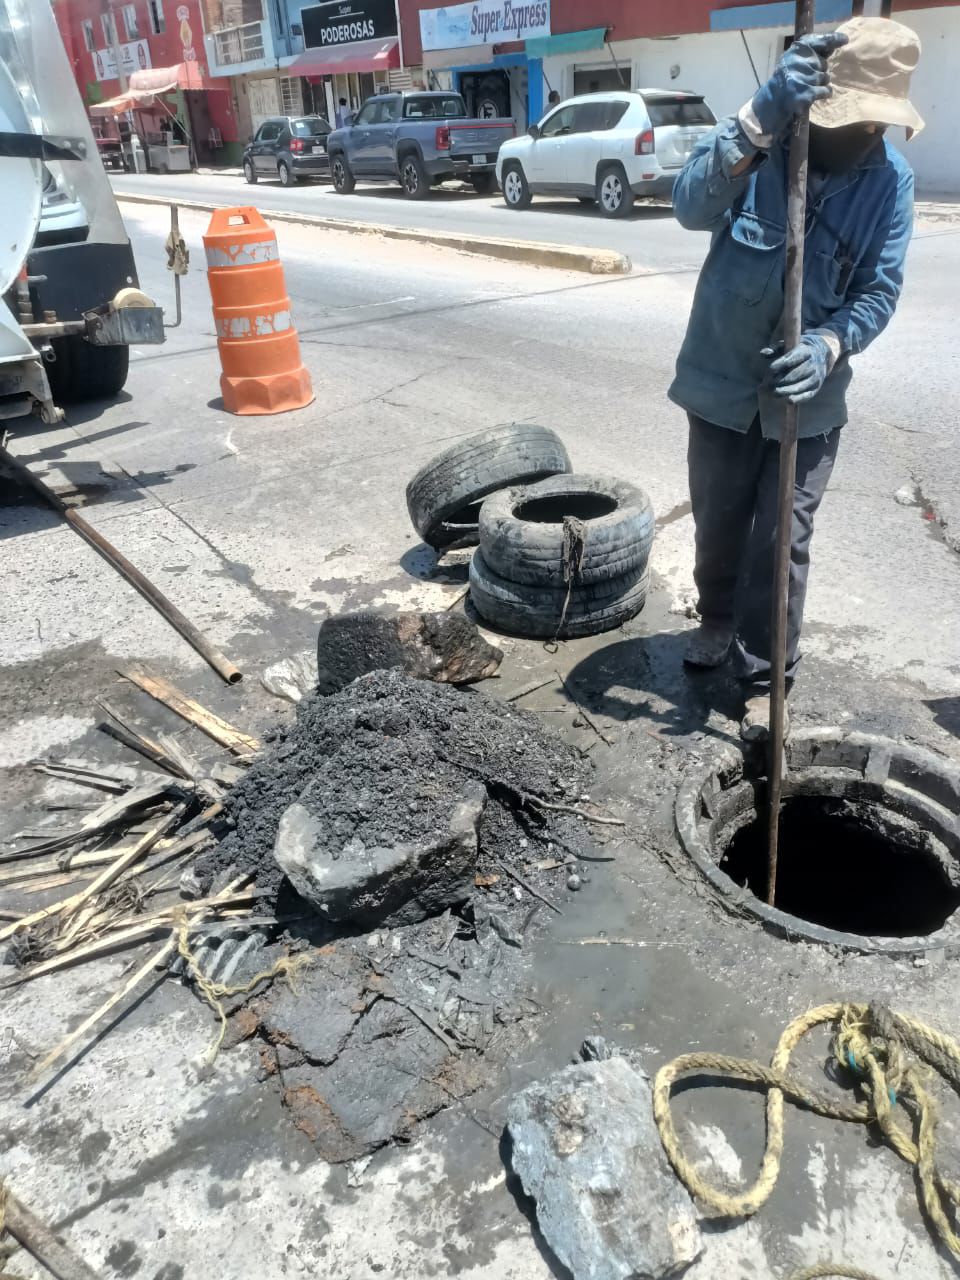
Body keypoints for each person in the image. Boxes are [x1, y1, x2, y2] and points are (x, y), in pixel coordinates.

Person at [668, 17, 922, 740]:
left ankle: (764, 673)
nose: (866, 136)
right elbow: (689, 207)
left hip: (808, 401)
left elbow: (878, 292)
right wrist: (756, 119)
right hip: (721, 380)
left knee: (783, 540)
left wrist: (831, 342)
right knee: (719, 519)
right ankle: (717, 617)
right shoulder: (761, 141)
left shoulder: (890, 184)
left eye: (877, 124)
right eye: (854, 121)